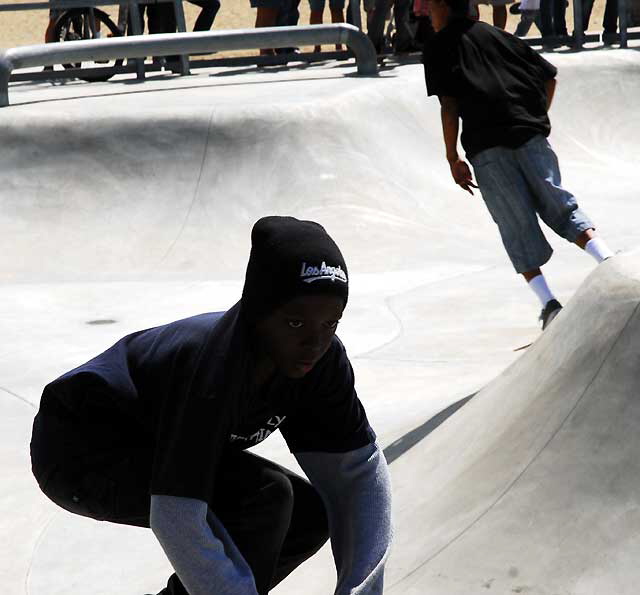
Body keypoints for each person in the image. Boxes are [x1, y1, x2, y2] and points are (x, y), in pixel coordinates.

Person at [30, 216, 392, 595]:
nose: (314, 344)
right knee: (265, 498)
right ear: (258, 314)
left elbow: (358, 480)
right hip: (80, 446)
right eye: (296, 323)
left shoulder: (323, 365)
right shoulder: (215, 365)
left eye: (330, 324)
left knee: (309, 517)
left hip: (152, 443)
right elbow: (176, 515)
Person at [422, 0, 614, 329]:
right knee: (561, 206)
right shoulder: (500, 35)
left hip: (487, 148)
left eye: (428, 7)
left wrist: (452, 156)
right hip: (529, 136)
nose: (422, 12)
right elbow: (549, 77)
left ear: (443, 5)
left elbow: (449, 106)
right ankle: (608, 262)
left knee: (515, 225)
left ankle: (549, 304)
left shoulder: (439, 46)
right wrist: (538, 117)